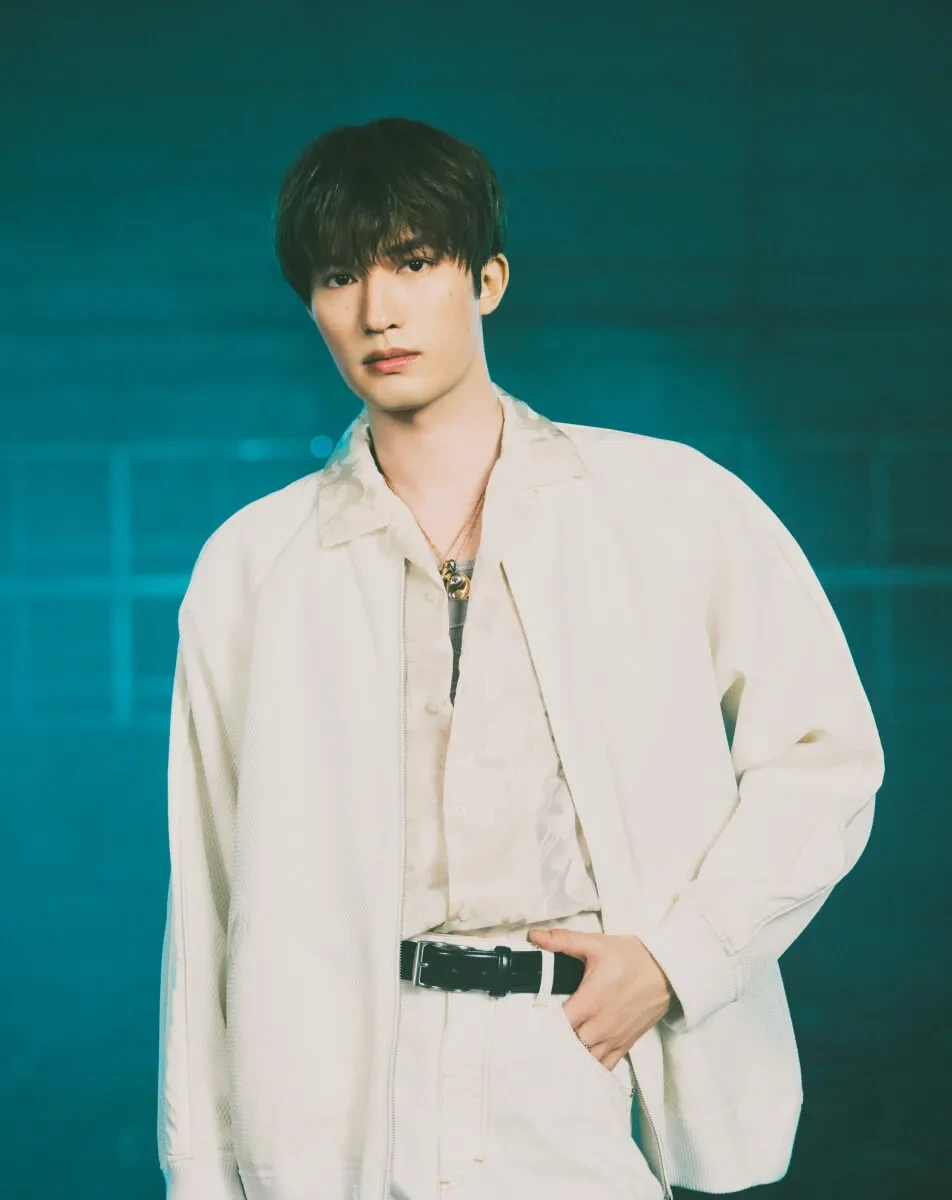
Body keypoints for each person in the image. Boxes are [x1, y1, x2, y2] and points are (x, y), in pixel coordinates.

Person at [156, 116, 885, 1200]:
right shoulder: (253, 563)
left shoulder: (667, 504)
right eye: (340, 276)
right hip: (333, 1089)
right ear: (310, 304)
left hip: (578, 1059)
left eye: (414, 262)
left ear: (487, 279)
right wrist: (204, 1175)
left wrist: (680, 960)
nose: (378, 309)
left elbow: (824, 754)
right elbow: (208, 889)